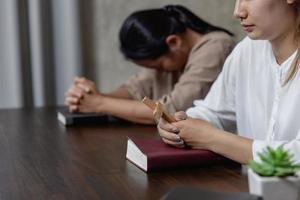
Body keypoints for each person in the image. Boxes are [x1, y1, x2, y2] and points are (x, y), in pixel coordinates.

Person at [158, 0, 300, 164]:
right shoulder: (248, 49)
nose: (238, 12)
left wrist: (212, 138)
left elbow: (296, 156)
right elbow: (215, 111)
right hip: (247, 186)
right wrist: (179, 124)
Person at [64, 5, 234, 124]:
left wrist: (100, 104)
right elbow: (135, 89)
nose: (157, 72)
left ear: (173, 42)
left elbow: (171, 110)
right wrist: (90, 97)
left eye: (158, 66)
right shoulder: (171, 53)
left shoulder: (216, 46)